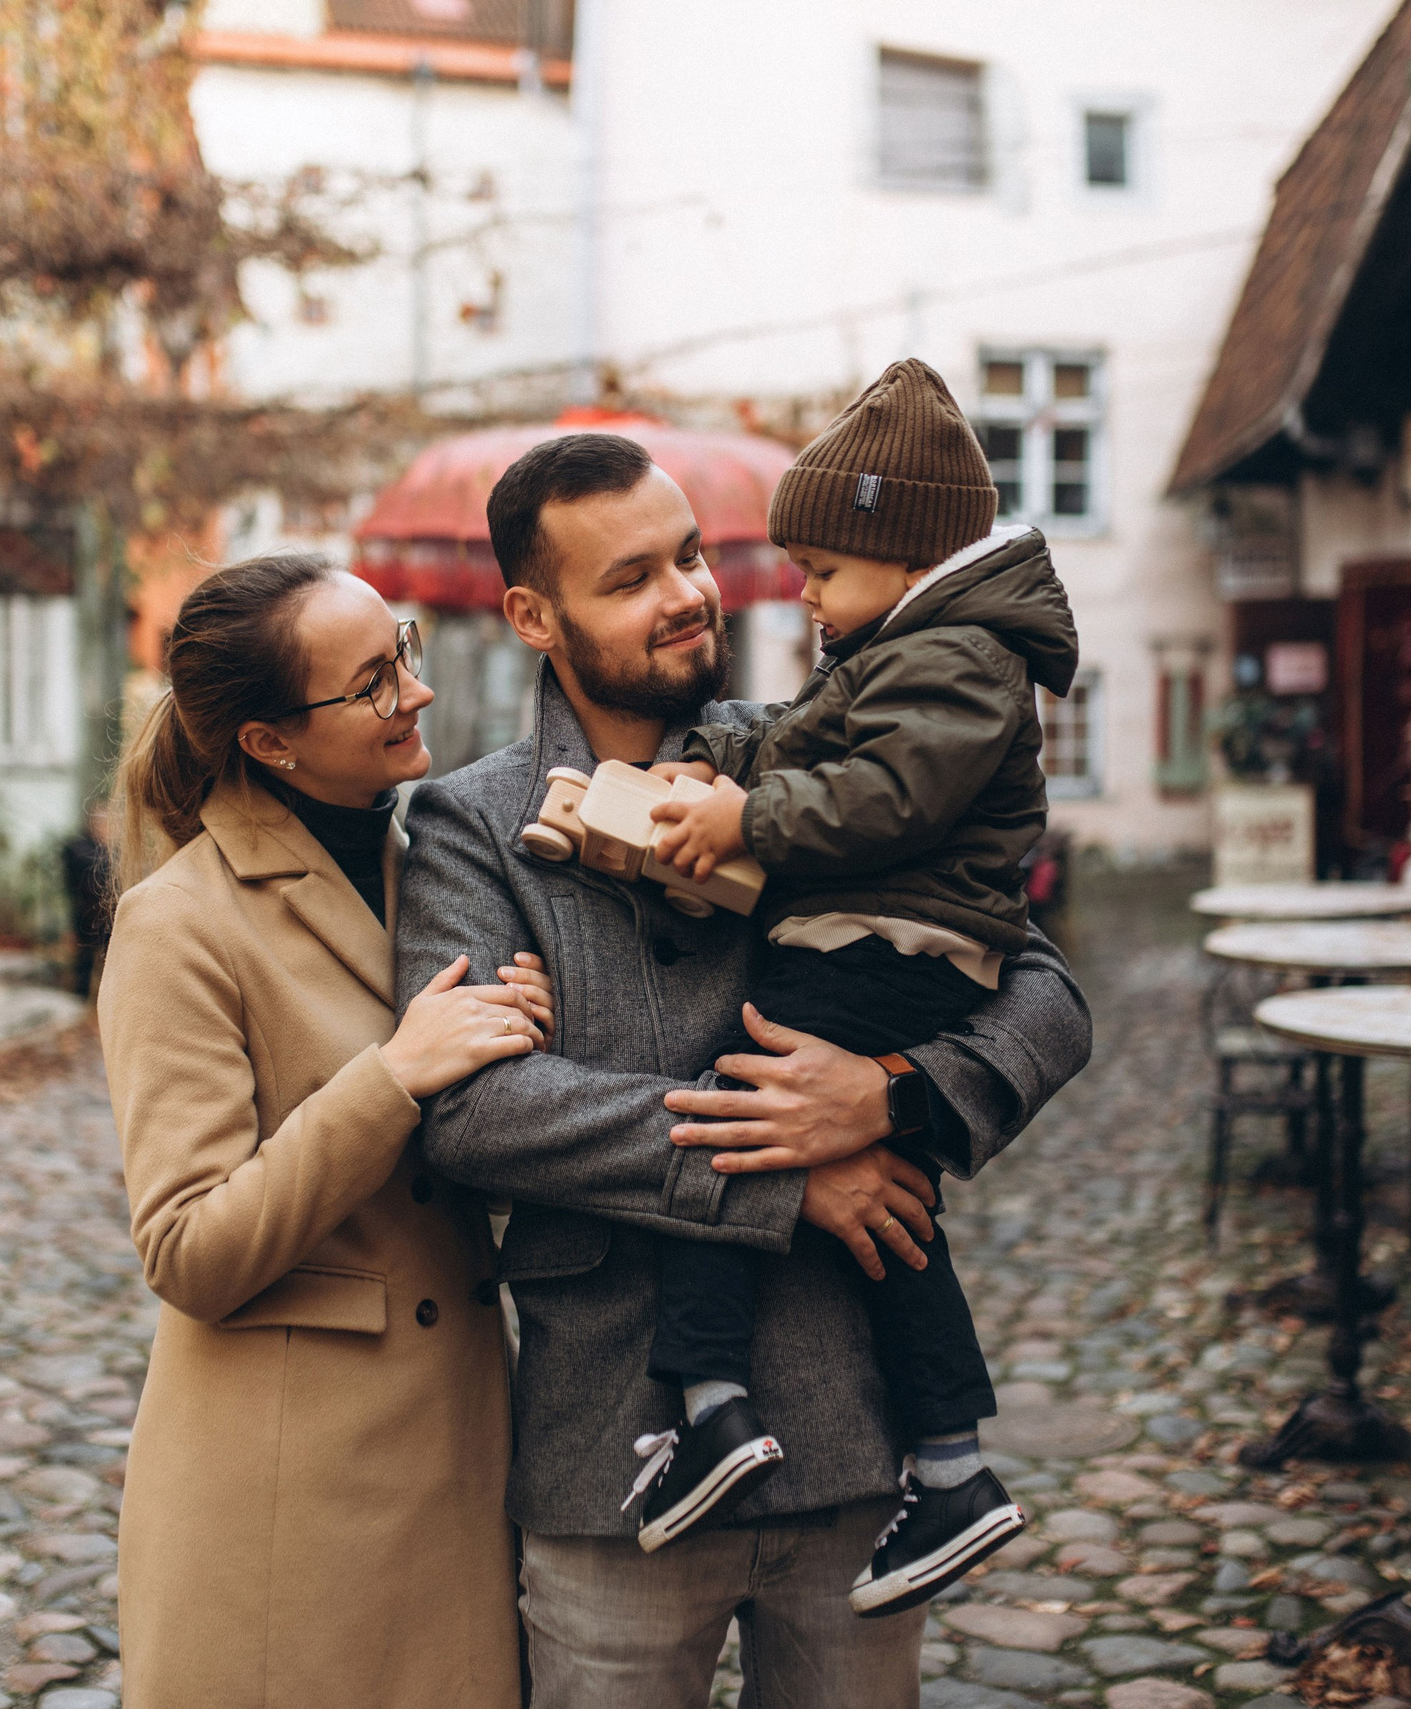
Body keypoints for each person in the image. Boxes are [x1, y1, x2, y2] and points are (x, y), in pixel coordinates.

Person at [396, 433, 1092, 1709]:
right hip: (614, 1444)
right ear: (532, 615)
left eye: (692, 554)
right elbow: (475, 1109)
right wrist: (783, 1170)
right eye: (631, 578)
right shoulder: (472, 822)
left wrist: (887, 1098)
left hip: (851, 1427)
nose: (687, 593)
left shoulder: (820, 756)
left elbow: (1041, 986)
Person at [638, 358, 1080, 1612]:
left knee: (729, 1116)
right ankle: (947, 1464)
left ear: (899, 552)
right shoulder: (897, 648)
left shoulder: (959, 658)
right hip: (874, 940)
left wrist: (748, 821)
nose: (803, 592)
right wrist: (728, 755)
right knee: (889, 1209)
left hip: (890, 944)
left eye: (822, 570)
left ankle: (714, 1405)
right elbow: (801, 738)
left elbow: (884, 796)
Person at [96, 553, 552, 1709]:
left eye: (400, 648)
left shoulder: (437, 865)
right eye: (370, 681)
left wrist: (515, 1052)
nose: (417, 690)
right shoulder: (177, 924)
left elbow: (464, 1153)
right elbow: (187, 1247)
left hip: (457, 1445)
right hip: (289, 1494)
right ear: (270, 741)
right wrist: (392, 1075)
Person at [59, 801, 114, 1002]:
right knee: (83, 962)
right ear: (92, 824)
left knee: (111, 962)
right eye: (102, 822)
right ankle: (81, 1001)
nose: (107, 827)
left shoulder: (113, 850)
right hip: (85, 914)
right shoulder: (79, 848)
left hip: (110, 916)